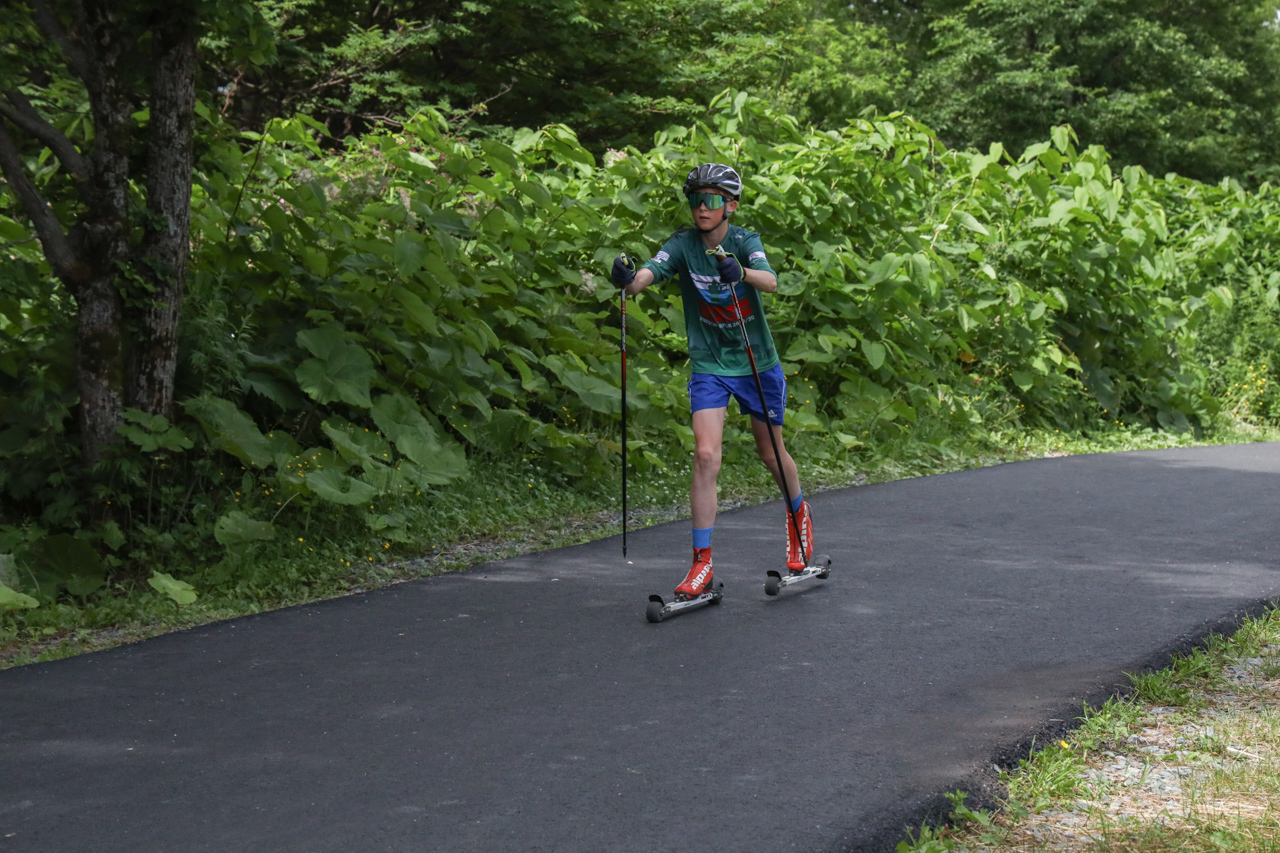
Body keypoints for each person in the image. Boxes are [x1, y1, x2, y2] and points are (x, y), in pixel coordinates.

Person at [609, 163, 814, 600]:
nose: (703, 207)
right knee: (705, 456)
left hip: (756, 363)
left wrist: (741, 272)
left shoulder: (744, 241)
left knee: (772, 453)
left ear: (730, 206)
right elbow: (647, 275)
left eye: (713, 200)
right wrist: (628, 281)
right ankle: (701, 563)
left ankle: (799, 523)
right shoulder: (684, 244)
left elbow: (771, 282)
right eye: (696, 199)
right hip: (710, 366)